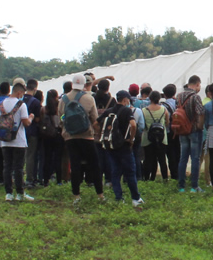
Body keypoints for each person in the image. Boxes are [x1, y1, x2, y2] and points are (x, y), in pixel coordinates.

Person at [59, 74, 105, 204]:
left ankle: (76, 196)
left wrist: (67, 125)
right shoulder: (89, 98)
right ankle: (100, 194)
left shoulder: (64, 99)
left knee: (75, 165)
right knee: (94, 165)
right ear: (84, 84)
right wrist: (96, 131)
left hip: (70, 137)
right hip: (87, 136)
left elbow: (61, 117)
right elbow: (94, 119)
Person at [0, 81, 36, 201]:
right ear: (19, 92)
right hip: (18, 140)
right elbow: (26, 122)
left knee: (7, 166)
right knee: (18, 167)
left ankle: (8, 193)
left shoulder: (1, 105)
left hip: (4, 140)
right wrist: (31, 117)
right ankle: (20, 193)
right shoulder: (21, 105)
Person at [107, 91, 143, 205]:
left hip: (112, 146)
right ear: (125, 100)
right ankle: (135, 198)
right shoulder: (127, 110)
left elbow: (96, 123)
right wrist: (131, 139)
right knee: (130, 172)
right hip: (124, 146)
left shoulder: (110, 111)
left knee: (116, 172)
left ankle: (119, 198)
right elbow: (133, 125)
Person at [176, 76, 206, 193]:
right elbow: (201, 112)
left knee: (183, 158)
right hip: (193, 130)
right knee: (195, 158)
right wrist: (200, 125)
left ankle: (181, 186)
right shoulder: (195, 97)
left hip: (182, 130)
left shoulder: (179, 96)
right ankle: (194, 186)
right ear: (197, 84)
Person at [141, 90, 170, 181]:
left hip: (148, 138)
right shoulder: (164, 109)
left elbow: (143, 125)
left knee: (148, 159)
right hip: (162, 138)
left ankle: (146, 178)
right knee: (162, 159)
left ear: (150, 98)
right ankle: (165, 178)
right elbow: (167, 123)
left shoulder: (144, 110)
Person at [41, 89, 64, 186]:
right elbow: (62, 120)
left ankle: (46, 180)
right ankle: (59, 180)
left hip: (46, 136)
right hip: (58, 134)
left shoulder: (44, 109)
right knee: (58, 158)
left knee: (47, 158)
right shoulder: (58, 108)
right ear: (56, 96)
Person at [23, 79, 43, 188]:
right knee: (30, 156)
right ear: (35, 88)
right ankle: (29, 179)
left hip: (20, 131)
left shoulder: (19, 99)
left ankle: (18, 177)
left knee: (20, 156)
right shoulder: (35, 102)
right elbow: (37, 119)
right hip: (31, 132)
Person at [162, 84, 180, 181]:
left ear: (164, 95)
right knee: (179, 153)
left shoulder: (164, 106)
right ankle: (181, 172)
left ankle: (174, 174)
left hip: (169, 132)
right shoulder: (179, 103)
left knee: (170, 154)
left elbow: (165, 121)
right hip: (180, 131)